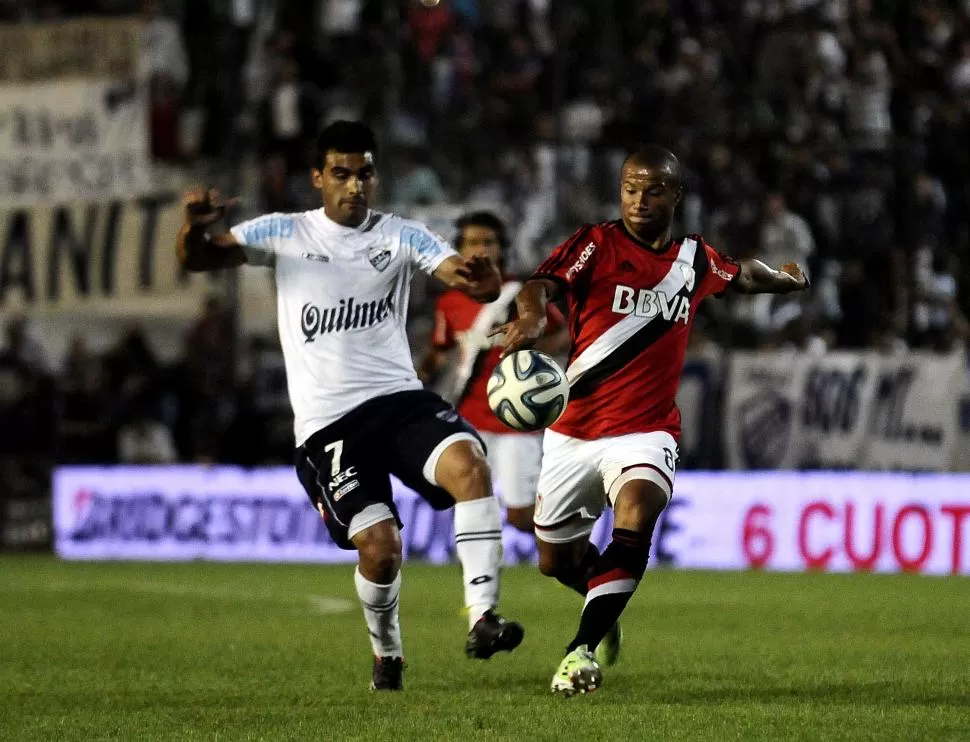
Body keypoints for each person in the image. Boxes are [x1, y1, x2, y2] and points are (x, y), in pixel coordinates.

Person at [175, 121, 524, 691]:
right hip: (329, 424)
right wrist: (193, 228)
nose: (355, 185)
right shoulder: (282, 232)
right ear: (318, 178)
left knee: (470, 466)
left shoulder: (401, 235)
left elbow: (463, 278)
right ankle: (388, 653)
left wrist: (483, 282)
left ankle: (482, 616)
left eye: (364, 173)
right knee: (381, 550)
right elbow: (200, 260)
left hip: (399, 400)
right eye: (341, 174)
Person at [491, 145, 810, 696]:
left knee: (637, 511)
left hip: (647, 429)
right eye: (630, 189)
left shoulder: (694, 258)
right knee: (555, 561)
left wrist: (784, 280)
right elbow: (541, 283)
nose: (639, 200)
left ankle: (579, 651)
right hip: (574, 430)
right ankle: (603, 603)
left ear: (675, 196)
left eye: (653, 190)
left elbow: (742, 275)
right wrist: (534, 314)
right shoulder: (596, 244)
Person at [418, 211, 569, 533]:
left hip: (516, 417)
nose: (481, 249)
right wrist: (415, 380)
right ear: (459, 249)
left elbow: (562, 333)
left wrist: (533, 359)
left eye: (488, 242)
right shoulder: (450, 302)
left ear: (502, 248)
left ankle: (573, 547)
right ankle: (480, 564)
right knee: (470, 507)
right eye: (472, 242)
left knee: (520, 515)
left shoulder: (522, 295)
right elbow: (440, 350)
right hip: (468, 418)